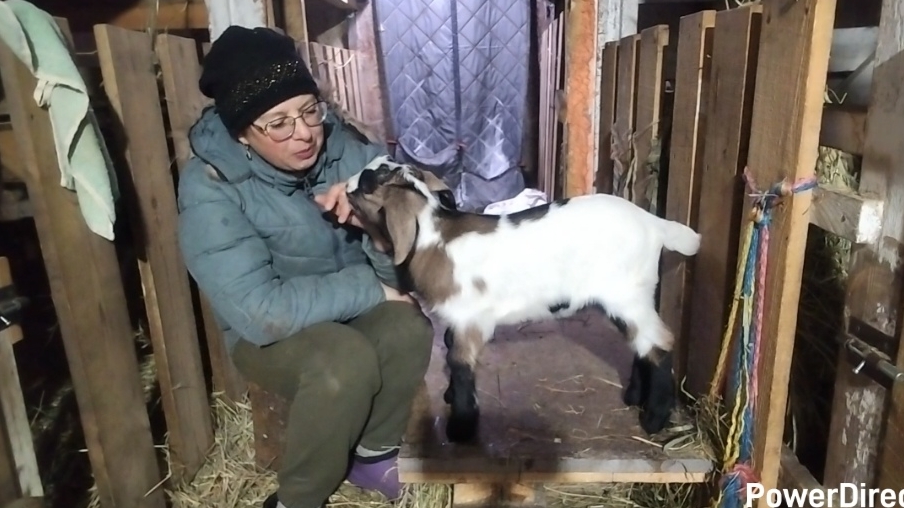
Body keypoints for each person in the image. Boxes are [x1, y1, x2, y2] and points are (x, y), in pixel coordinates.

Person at [176, 25, 435, 508]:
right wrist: (371, 290)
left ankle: (373, 454)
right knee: (342, 360)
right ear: (242, 133)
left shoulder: (346, 152)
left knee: (408, 327)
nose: (304, 133)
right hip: (271, 334)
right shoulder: (212, 186)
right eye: (278, 123)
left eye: (309, 110)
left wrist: (378, 224)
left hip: (349, 311)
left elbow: (412, 245)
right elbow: (262, 312)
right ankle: (298, 498)